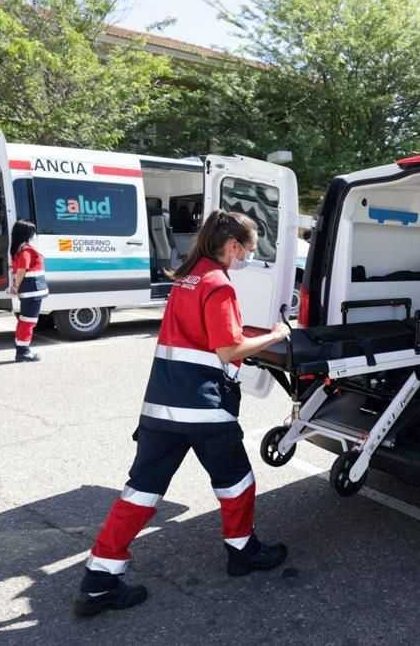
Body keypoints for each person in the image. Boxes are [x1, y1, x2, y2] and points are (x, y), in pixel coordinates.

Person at [74, 210, 292, 617]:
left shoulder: (187, 280)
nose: (247, 257)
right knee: (236, 482)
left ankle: (99, 580)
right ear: (232, 246)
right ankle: (242, 552)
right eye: (248, 249)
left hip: (162, 406)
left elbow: (200, 338)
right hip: (204, 409)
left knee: (141, 491)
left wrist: (248, 337)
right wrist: (276, 335)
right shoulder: (218, 285)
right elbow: (227, 351)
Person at [8, 219, 48, 362]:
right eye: (32, 232)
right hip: (32, 290)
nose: (34, 235)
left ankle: (21, 346)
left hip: (29, 291)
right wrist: (16, 287)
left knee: (25, 320)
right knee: (28, 321)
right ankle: (23, 352)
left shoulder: (18, 249)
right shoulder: (26, 250)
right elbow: (21, 271)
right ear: (26, 233)